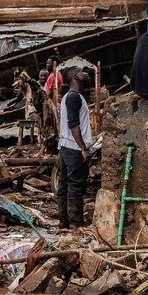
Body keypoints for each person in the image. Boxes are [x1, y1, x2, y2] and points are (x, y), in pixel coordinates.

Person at [58, 70, 94, 228]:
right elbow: (73, 124)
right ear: (75, 79)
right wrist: (84, 148)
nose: (85, 74)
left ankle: (63, 222)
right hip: (74, 148)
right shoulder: (74, 97)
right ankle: (75, 223)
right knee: (75, 185)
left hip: (66, 146)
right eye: (81, 74)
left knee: (65, 183)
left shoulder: (69, 97)